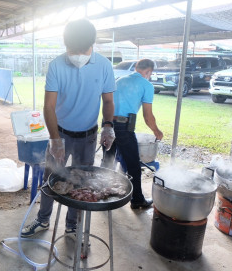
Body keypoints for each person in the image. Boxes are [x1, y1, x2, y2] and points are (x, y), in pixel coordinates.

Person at [21, 19, 116, 238]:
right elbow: (49, 106)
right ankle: (43, 219)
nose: (77, 55)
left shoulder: (104, 65)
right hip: (61, 132)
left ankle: (72, 224)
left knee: (81, 180)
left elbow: (108, 101)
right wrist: (55, 140)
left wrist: (108, 126)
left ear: (92, 44)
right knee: (50, 178)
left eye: (81, 50)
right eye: (72, 50)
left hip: (89, 136)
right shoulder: (56, 65)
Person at [102, 59, 163, 209]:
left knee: (108, 161)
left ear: (136, 68)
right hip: (123, 127)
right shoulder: (147, 85)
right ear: (149, 72)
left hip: (107, 124)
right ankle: (137, 200)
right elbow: (147, 116)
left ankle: (103, 193)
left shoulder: (120, 80)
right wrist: (157, 131)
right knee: (134, 165)